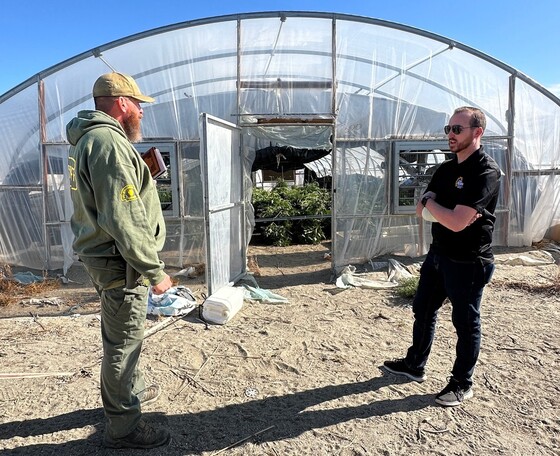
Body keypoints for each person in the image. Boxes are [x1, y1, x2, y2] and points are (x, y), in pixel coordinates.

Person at [66, 72, 174, 448]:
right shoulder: (107, 143)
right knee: (123, 344)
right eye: (138, 104)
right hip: (120, 262)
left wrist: (141, 174)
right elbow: (122, 216)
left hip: (105, 256)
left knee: (124, 336)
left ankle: (131, 393)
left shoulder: (89, 140)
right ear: (122, 103)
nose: (142, 112)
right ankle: (124, 427)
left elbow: (112, 200)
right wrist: (154, 270)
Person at [383, 106, 501, 407]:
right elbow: (422, 211)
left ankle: (462, 383)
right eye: (448, 129)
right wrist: (440, 210)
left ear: (477, 132)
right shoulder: (446, 169)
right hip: (439, 254)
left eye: (457, 129)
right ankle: (414, 365)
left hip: (469, 261)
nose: (450, 134)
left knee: (465, 322)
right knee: (422, 309)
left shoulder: (485, 171)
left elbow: (456, 222)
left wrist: (437, 208)